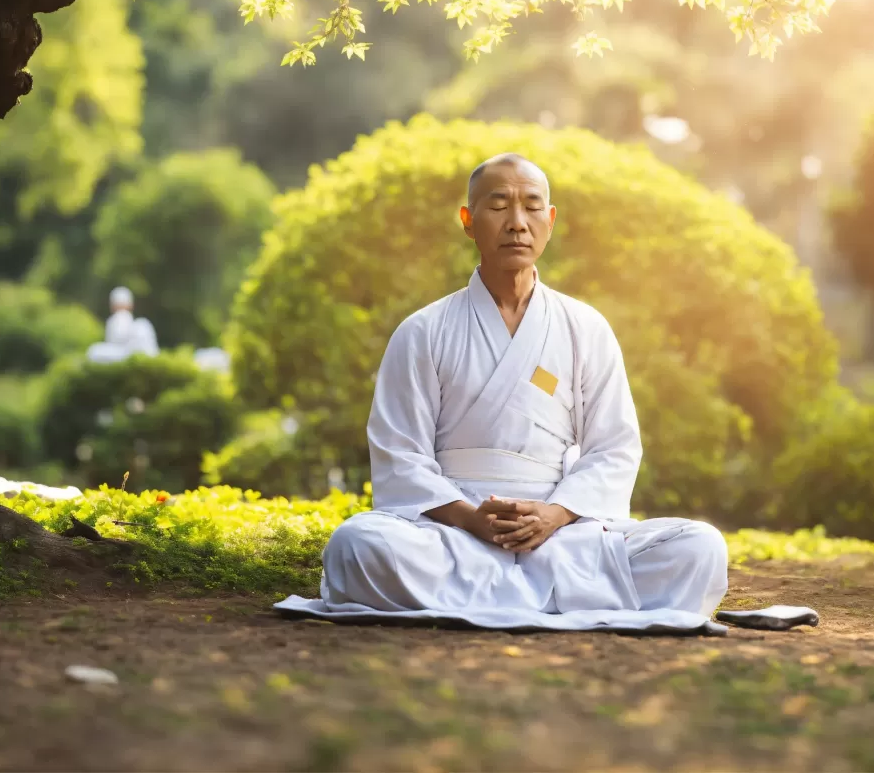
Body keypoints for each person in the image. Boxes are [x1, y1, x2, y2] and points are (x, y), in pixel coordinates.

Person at [276, 153, 729, 632]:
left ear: (550, 222)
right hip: (452, 532)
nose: (517, 223)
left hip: (561, 536)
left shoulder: (586, 328)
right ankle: (557, 601)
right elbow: (399, 455)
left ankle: (488, 595)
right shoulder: (423, 330)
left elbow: (613, 449)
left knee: (699, 547)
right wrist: (473, 520)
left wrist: (553, 515)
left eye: (532, 207)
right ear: (468, 222)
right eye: (499, 207)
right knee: (358, 545)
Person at [86, 286, 160, 363]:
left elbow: (114, 342)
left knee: (93, 351)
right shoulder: (137, 322)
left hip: (124, 353)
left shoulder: (123, 319)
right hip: (129, 352)